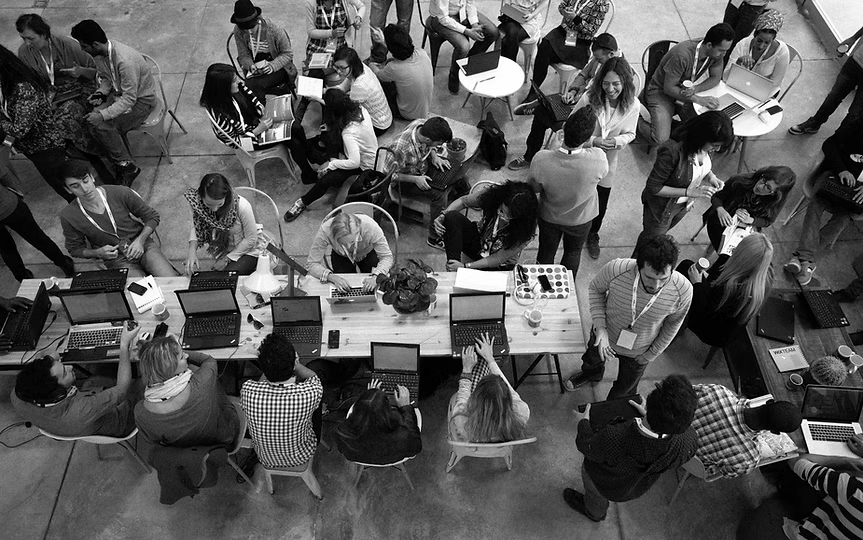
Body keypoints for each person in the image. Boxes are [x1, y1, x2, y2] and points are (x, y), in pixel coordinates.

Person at [566, 235, 693, 398]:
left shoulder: (683, 290)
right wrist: (600, 327)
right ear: (638, 266)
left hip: (640, 350)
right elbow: (596, 289)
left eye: (663, 279)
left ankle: (611, 409)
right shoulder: (616, 269)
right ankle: (591, 374)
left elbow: (673, 324)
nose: (656, 286)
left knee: (625, 388)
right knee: (592, 361)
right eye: (649, 277)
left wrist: (651, 354)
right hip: (603, 337)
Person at [565, 374, 699, 522]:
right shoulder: (688, 441)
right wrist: (653, 419)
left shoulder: (614, 437)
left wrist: (583, 423)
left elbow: (586, 445)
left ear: (648, 405)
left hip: (603, 483)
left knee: (595, 497)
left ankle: (594, 513)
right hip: (636, 487)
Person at [10, 325, 140, 438]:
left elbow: (51, 356)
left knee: (99, 375)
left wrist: (48, 361)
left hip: (81, 421)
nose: (70, 366)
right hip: (120, 421)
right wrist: (124, 345)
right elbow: (122, 390)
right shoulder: (79, 411)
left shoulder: (18, 395)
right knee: (147, 375)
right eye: (65, 373)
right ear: (59, 393)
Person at [199, 63, 317, 185]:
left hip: (256, 122)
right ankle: (310, 159)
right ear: (222, 87)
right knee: (294, 138)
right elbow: (235, 142)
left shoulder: (235, 89)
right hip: (250, 140)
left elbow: (251, 96)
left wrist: (259, 107)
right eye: (234, 81)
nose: (239, 81)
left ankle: (309, 163)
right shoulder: (220, 115)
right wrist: (258, 130)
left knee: (295, 127)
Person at [635, 110, 733, 254]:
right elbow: (653, 187)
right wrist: (690, 192)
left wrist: (711, 177)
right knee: (649, 244)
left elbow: (698, 168)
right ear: (702, 137)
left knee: (656, 237)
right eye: (714, 145)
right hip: (662, 209)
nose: (716, 149)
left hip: (683, 206)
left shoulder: (705, 148)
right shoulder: (672, 151)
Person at [571, 56, 640, 260]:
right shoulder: (588, 99)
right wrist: (593, 141)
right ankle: (576, 230)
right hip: (583, 159)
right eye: (606, 83)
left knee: (601, 202)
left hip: (609, 162)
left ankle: (593, 234)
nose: (610, 89)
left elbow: (632, 133)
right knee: (579, 197)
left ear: (625, 83)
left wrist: (617, 141)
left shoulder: (633, 105)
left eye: (616, 84)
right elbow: (570, 127)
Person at [71, 20, 154, 186]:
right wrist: (101, 93)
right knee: (89, 118)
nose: (82, 50)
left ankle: (126, 166)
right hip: (120, 94)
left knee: (102, 125)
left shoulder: (125, 62)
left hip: (141, 102)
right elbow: (107, 78)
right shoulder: (101, 54)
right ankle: (118, 157)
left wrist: (103, 115)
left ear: (94, 44)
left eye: (84, 46)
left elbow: (130, 99)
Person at [60, 160, 177, 277]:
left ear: (92, 178)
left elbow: (152, 216)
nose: (84, 189)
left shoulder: (120, 192)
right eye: (76, 186)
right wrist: (98, 253)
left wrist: (140, 241)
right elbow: (75, 249)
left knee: (170, 281)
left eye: (85, 181)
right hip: (116, 258)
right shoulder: (68, 216)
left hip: (143, 245)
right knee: (140, 291)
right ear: (68, 190)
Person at [509, 33, 619, 158]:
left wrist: (581, 98)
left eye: (599, 59)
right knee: (542, 112)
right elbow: (583, 75)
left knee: (545, 114)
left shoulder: (618, 76)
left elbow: (606, 106)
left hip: (587, 115)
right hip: (578, 100)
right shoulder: (600, 58)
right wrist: (573, 91)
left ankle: (542, 156)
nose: (597, 61)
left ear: (610, 54)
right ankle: (529, 155)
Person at [528, 106, 607, 278]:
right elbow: (602, 176)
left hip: (549, 217)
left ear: (564, 129)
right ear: (587, 138)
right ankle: (567, 287)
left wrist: (553, 147)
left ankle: (542, 285)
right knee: (573, 253)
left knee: (546, 252)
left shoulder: (541, 159)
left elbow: (534, 188)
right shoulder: (599, 158)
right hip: (581, 219)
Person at [783, 118, 863, 286]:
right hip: (835, 175)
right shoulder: (858, 124)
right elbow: (830, 144)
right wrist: (842, 170)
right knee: (816, 205)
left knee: (843, 218)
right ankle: (808, 263)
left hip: (858, 190)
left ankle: (801, 258)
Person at [16, 13, 104, 163]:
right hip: (53, 95)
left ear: (43, 34)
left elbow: (98, 72)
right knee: (41, 125)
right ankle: (77, 154)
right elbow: (30, 81)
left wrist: (80, 71)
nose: (27, 43)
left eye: (31, 38)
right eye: (24, 38)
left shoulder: (68, 45)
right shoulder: (24, 52)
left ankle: (95, 154)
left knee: (62, 123)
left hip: (80, 90)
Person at [283, 90, 378, 221]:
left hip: (363, 166)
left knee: (326, 179)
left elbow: (354, 162)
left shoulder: (349, 133)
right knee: (327, 137)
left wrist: (332, 164)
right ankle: (322, 157)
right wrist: (319, 99)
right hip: (358, 150)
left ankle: (302, 202)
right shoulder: (360, 109)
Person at [636, 23, 734, 146]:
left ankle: (670, 123)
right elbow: (669, 88)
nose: (723, 55)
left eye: (726, 51)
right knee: (660, 139)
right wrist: (698, 99)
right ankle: (636, 117)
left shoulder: (715, 54)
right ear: (709, 45)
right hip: (660, 92)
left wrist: (695, 89)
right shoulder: (681, 55)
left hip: (683, 90)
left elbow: (716, 78)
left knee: (702, 127)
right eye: (721, 50)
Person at [0, 45, 75, 202]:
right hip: (33, 149)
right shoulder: (6, 86)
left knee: (68, 188)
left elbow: (19, 129)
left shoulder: (23, 89)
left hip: (47, 148)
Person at [134, 335, 239, 447]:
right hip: (222, 440)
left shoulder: (141, 412)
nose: (187, 355)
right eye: (181, 357)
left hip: (183, 453)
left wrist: (163, 355)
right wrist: (175, 349)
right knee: (214, 382)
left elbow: (153, 441)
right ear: (170, 367)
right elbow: (209, 360)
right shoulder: (202, 382)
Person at [240, 334, 323, 469]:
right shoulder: (310, 392)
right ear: (294, 360)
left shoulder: (247, 390)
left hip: (265, 458)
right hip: (302, 455)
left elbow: (263, 381)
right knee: (317, 405)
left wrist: (270, 366)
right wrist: (296, 364)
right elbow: (314, 377)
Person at [738, 453, 863, 540]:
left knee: (797, 476)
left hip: (810, 533)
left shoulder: (855, 489)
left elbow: (796, 462)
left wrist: (847, 461)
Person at [514, 0, 610, 111]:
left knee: (546, 52)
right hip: (564, 32)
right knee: (544, 45)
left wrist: (575, 18)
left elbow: (591, 31)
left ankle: (534, 94)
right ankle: (534, 91)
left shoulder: (601, 4)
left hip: (580, 41)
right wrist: (565, 12)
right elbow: (561, 6)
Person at [682, 233, 774, 348]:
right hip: (726, 327)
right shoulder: (763, 278)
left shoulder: (733, 288)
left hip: (710, 330)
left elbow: (706, 308)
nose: (735, 249)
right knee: (723, 258)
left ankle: (672, 316)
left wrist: (697, 283)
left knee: (685, 268)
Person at [691, 383, 800, 478]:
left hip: (675, 433)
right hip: (688, 459)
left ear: (769, 402)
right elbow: (725, 472)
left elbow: (681, 392)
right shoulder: (748, 460)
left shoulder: (717, 392)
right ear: (774, 432)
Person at [383, 116, 455, 249]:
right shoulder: (400, 147)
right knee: (439, 195)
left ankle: (459, 195)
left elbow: (431, 146)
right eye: (438, 144)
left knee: (451, 170)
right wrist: (415, 179)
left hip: (421, 165)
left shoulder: (421, 124)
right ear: (428, 140)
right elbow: (388, 175)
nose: (438, 147)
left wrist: (434, 155)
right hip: (406, 181)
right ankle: (433, 237)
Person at [435, 181, 538, 272]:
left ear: (520, 217)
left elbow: (498, 259)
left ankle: (459, 268)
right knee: (452, 217)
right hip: (480, 242)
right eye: (501, 209)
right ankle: (453, 267)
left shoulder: (526, 231)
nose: (500, 214)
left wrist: (466, 266)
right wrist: (443, 215)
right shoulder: (492, 195)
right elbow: (464, 201)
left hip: (498, 266)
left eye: (508, 215)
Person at [448, 334, 530, 443]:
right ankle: (498, 357)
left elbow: (463, 397)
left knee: (481, 364)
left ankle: (491, 357)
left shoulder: (461, 419)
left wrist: (467, 369)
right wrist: (490, 359)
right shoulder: (522, 412)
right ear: (508, 398)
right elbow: (510, 391)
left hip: (470, 437)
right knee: (491, 360)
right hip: (498, 446)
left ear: (476, 397)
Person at [788, 23, 863, 135]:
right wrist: (853, 38)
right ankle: (815, 123)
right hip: (856, 61)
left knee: (855, 112)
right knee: (834, 96)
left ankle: (839, 140)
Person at [184, 173, 264, 276]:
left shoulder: (242, 206)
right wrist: (192, 250)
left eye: (220, 204)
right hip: (225, 248)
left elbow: (251, 239)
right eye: (209, 204)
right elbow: (196, 227)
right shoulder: (197, 204)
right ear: (200, 196)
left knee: (226, 277)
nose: (214, 209)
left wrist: (227, 259)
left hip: (248, 249)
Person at [703, 165, 795, 252]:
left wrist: (751, 220)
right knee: (728, 256)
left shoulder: (775, 201)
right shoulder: (739, 180)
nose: (760, 186)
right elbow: (716, 197)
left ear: (774, 193)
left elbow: (768, 221)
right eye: (763, 179)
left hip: (742, 230)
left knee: (749, 256)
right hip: (719, 220)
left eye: (767, 187)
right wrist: (721, 210)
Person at [0, 176, 74, 282]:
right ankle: (64, 264)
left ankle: (23, 278)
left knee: (6, 249)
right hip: (8, 205)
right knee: (37, 237)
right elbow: (4, 176)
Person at [335, 380, 422, 464]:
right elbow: (416, 448)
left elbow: (345, 452)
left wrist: (371, 398)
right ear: (387, 412)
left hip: (362, 458)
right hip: (392, 457)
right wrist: (405, 407)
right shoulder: (403, 436)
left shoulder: (342, 433)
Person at [306, 210, 394, 292]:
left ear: (358, 231)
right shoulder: (325, 230)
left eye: (352, 241)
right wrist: (332, 277)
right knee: (344, 288)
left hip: (368, 253)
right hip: (341, 256)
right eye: (342, 243)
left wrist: (376, 277)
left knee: (374, 288)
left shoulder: (371, 227)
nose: (348, 246)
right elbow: (311, 264)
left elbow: (387, 257)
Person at [428, 0, 500, 95]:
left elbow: (470, 4)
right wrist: (467, 31)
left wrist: (475, 24)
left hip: (461, 12)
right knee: (464, 46)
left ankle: (469, 61)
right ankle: (454, 75)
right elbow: (443, 18)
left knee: (493, 32)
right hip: (441, 18)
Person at [230, 0, 298, 100]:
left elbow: (287, 54)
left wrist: (273, 66)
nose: (249, 32)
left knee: (253, 85)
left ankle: (259, 111)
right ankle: (259, 110)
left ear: (258, 21)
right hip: (256, 64)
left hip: (278, 64)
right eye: (245, 29)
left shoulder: (274, 30)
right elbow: (243, 54)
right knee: (251, 85)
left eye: (252, 28)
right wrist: (250, 65)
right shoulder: (239, 31)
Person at [367, 24, 434, 121]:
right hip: (424, 109)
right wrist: (383, 41)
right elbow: (400, 49)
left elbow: (378, 74)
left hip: (407, 114)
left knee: (380, 82)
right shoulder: (422, 53)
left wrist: (370, 64)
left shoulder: (394, 68)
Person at [724, 9, 789, 95]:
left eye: (767, 43)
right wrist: (737, 63)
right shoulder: (742, 44)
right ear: (754, 35)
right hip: (738, 87)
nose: (761, 46)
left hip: (763, 93)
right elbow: (725, 77)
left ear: (773, 39)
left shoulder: (782, 52)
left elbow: (775, 84)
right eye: (759, 40)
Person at [331, 47, 392, 135]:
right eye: (336, 67)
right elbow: (348, 80)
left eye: (342, 68)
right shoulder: (361, 67)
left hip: (378, 125)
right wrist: (336, 89)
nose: (338, 71)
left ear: (352, 65)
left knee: (340, 121)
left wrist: (322, 98)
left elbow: (346, 108)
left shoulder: (359, 86)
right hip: (384, 116)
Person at [304, 0, 365, 69]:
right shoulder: (311, 3)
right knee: (317, 72)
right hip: (318, 45)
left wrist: (359, 17)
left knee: (345, 68)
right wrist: (332, 33)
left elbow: (361, 6)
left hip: (340, 44)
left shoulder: (344, 1)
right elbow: (311, 31)